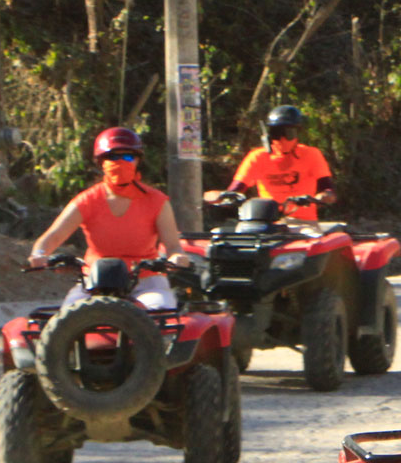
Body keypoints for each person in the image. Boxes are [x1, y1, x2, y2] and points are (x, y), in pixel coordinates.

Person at [27, 127, 192, 310]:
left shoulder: (157, 201)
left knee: (160, 312)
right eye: (113, 157)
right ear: (101, 162)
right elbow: (53, 237)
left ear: (138, 161)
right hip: (95, 279)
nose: (120, 162)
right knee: (69, 314)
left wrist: (177, 258)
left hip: (147, 280)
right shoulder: (87, 200)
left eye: (128, 157)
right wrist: (40, 255)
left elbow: (173, 246)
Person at [204, 104, 336, 221]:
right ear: (268, 134)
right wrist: (221, 196)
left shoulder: (311, 155)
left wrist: (323, 197)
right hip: (267, 222)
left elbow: (328, 189)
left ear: (297, 133)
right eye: (277, 133)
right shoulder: (258, 157)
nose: (283, 138)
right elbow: (236, 190)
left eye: (288, 133)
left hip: (302, 223)